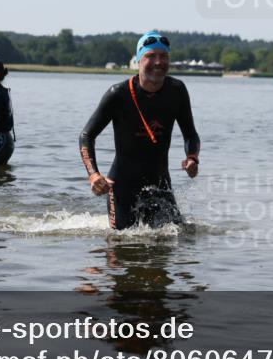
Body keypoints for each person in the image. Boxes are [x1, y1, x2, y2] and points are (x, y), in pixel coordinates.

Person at [79, 32, 200, 230]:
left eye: (164, 56)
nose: (158, 62)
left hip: (160, 184)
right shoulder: (118, 94)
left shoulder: (176, 90)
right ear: (138, 60)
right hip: (121, 186)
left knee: (179, 238)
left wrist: (193, 157)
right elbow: (86, 136)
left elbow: (190, 134)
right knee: (121, 247)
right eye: (151, 56)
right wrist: (93, 174)